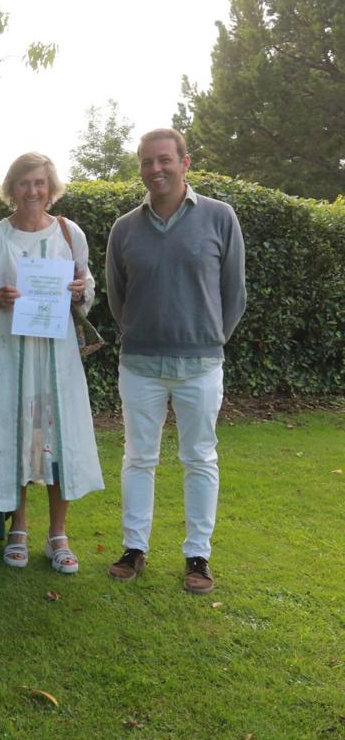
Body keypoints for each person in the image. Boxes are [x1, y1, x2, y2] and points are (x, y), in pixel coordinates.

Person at [105, 128, 246, 594]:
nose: (155, 169)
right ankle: (133, 547)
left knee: (199, 458)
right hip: (140, 364)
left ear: (185, 163)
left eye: (164, 160)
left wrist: (208, 339)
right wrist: (142, 334)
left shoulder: (220, 218)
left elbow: (234, 293)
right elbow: (117, 297)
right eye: (147, 162)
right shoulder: (124, 228)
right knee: (138, 458)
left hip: (201, 366)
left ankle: (197, 556)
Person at [0, 152, 104, 573]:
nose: (32, 191)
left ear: (51, 188)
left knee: (55, 436)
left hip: (55, 356)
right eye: (24, 183)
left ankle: (58, 534)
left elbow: (87, 291)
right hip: (7, 353)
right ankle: (19, 528)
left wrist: (81, 290)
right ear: (12, 187)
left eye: (40, 183)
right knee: (15, 433)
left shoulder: (69, 233)